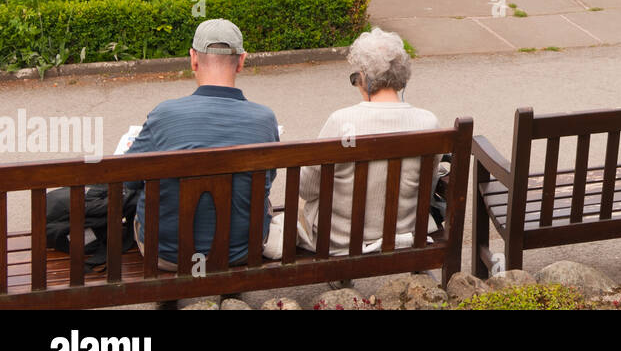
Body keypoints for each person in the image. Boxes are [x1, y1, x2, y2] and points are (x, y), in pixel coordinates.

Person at [263, 28, 440, 262]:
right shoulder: (428, 122)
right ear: (402, 76)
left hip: (338, 240)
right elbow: (429, 184)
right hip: (405, 233)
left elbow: (306, 188)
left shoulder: (341, 122)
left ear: (363, 77)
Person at [126, 19, 279, 269]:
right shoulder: (264, 120)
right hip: (240, 252)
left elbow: (128, 179)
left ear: (193, 59)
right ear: (241, 61)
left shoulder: (164, 115)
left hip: (165, 255)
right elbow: (266, 182)